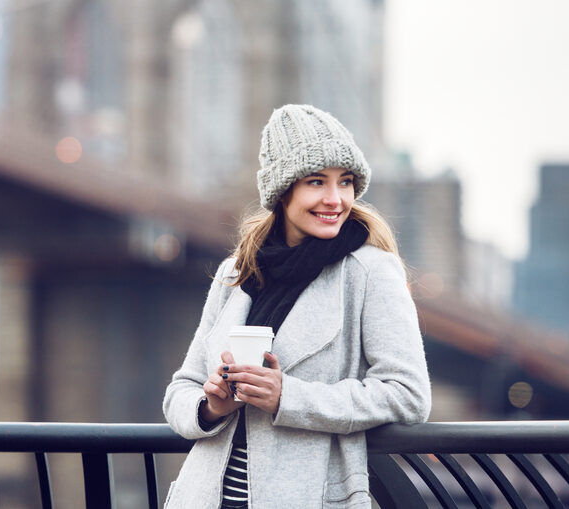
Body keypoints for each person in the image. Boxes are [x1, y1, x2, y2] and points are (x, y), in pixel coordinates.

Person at [162, 104, 431, 509]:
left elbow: (408, 395)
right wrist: (210, 405)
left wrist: (288, 397)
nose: (335, 199)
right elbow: (180, 391)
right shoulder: (237, 272)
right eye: (316, 182)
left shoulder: (370, 272)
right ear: (283, 190)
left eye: (346, 182)